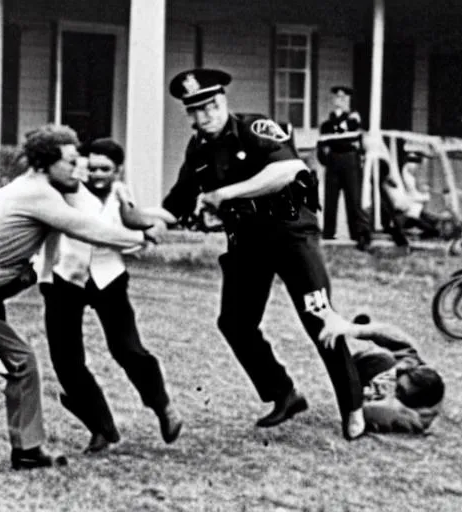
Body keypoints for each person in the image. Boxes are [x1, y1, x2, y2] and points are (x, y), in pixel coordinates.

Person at [159, 68, 365, 440]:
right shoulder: (198, 149)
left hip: (290, 236)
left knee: (319, 321)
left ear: (223, 102)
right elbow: (175, 203)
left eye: (209, 107)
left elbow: (289, 169)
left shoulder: (256, 128)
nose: (203, 117)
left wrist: (227, 194)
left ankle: (353, 407)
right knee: (234, 323)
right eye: (195, 111)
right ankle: (284, 394)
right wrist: (133, 221)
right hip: (247, 243)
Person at [0, 124, 166, 470]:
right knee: (22, 363)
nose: (79, 169)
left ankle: (28, 449)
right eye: (70, 162)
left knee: (19, 363)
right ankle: (28, 450)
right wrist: (142, 237)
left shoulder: (28, 188)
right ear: (45, 164)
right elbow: (90, 229)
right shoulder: (38, 194)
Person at [36, 138, 182, 455]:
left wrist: (153, 222)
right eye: (92, 168)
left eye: (106, 169)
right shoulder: (66, 190)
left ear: (118, 170)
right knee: (66, 359)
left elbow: (131, 217)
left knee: (128, 348)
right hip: (65, 276)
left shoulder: (120, 191)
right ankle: (100, 427)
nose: (97, 175)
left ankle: (162, 406)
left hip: (109, 276)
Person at [320, 312, 445, 434]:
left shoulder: (407, 415)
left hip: (368, 396)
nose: (394, 386)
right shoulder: (412, 367)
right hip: (368, 368)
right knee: (383, 358)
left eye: (400, 391)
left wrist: (372, 399)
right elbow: (394, 335)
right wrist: (356, 330)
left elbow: (359, 413)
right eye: (398, 382)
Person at [317, 86, 371, 248]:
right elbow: (322, 143)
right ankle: (328, 232)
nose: (340, 101)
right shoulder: (327, 124)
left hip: (350, 160)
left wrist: (351, 120)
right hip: (333, 159)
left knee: (353, 197)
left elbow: (358, 137)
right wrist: (325, 159)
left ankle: (356, 233)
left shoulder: (354, 120)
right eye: (338, 98)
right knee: (331, 197)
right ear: (333, 100)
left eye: (344, 98)